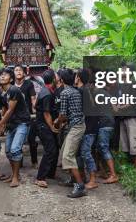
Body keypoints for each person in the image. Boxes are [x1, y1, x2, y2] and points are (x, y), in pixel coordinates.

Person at [0, 67, 30, 188]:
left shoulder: (13, 90)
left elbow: (10, 110)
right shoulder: (3, 93)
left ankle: (15, 177)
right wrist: (3, 126)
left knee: (15, 149)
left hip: (21, 123)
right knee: (8, 151)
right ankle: (15, 175)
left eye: (6, 75)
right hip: (11, 125)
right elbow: (4, 110)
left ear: (11, 79)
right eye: (1, 75)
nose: (2, 76)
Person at [55, 68, 87, 198]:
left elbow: (63, 115)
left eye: (57, 77)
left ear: (61, 80)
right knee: (64, 153)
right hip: (77, 125)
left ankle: (80, 186)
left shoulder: (65, 92)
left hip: (76, 127)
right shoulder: (75, 90)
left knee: (68, 156)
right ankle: (73, 179)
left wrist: (56, 122)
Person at [34, 69, 59, 188]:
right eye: (56, 76)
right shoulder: (47, 94)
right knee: (50, 150)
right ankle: (40, 177)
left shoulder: (46, 90)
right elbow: (46, 113)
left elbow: (35, 106)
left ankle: (50, 173)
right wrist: (52, 127)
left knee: (54, 149)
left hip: (43, 124)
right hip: (44, 125)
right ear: (53, 79)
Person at [14, 65, 38, 167]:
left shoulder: (29, 84)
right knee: (18, 141)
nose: (18, 72)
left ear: (24, 73)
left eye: (20, 70)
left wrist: (35, 110)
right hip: (15, 117)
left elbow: (33, 98)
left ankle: (34, 161)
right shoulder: (11, 85)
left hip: (28, 116)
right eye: (16, 70)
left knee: (31, 139)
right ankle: (19, 162)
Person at [79, 70, 100, 189]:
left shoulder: (85, 91)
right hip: (90, 126)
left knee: (86, 153)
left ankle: (93, 179)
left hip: (89, 127)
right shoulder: (88, 90)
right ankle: (86, 177)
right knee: (85, 152)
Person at [96, 82, 119, 183]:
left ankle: (113, 174)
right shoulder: (108, 94)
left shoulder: (97, 94)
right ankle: (104, 171)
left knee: (103, 148)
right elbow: (116, 109)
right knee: (102, 148)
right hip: (110, 123)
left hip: (104, 124)